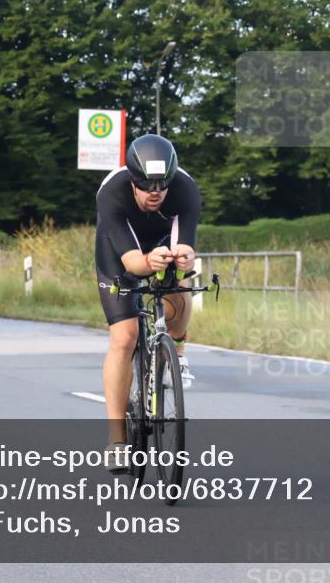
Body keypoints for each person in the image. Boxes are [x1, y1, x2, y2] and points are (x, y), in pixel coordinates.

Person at [94, 133, 201, 471]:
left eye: (161, 185)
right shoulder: (112, 192)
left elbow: (187, 247)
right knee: (124, 337)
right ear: (133, 180)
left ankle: (177, 352)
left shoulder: (185, 189)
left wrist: (184, 259)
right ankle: (116, 440)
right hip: (119, 253)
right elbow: (132, 264)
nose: (155, 192)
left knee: (181, 289)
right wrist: (148, 262)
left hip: (161, 246)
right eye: (146, 186)